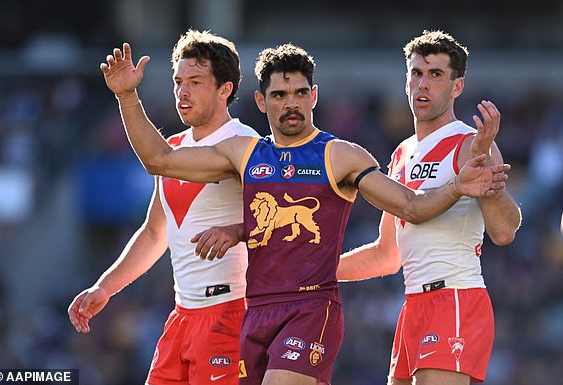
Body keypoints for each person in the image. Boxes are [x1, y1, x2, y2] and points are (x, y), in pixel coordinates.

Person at [99, 40, 509, 385]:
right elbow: (159, 161)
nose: (290, 104)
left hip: (314, 310)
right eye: (279, 95)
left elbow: (412, 207)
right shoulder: (245, 154)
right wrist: (128, 96)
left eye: (299, 93)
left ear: (314, 96)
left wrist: (459, 186)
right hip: (257, 310)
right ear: (262, 101)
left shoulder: (341, 155)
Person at [67, 29, 258, 385]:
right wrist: (105, 287)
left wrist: (237, 231)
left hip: (230, 315)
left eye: (196, 81)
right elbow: (155, 233)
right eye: (178, 81)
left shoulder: (245, 144)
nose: (182, 92)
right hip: (182, 316)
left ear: (225, 89)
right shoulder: (174, 146)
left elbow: (272, 220)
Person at [336, 30, 522, 385]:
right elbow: (386, 255)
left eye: (436, 75)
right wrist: (314, 270)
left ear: (457, 87)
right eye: (416, 73)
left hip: (454, 298)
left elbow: (504, 231)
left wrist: (488, 169)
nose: (423, 84)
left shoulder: (470, 143)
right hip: (412, 306)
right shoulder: (401, 153)